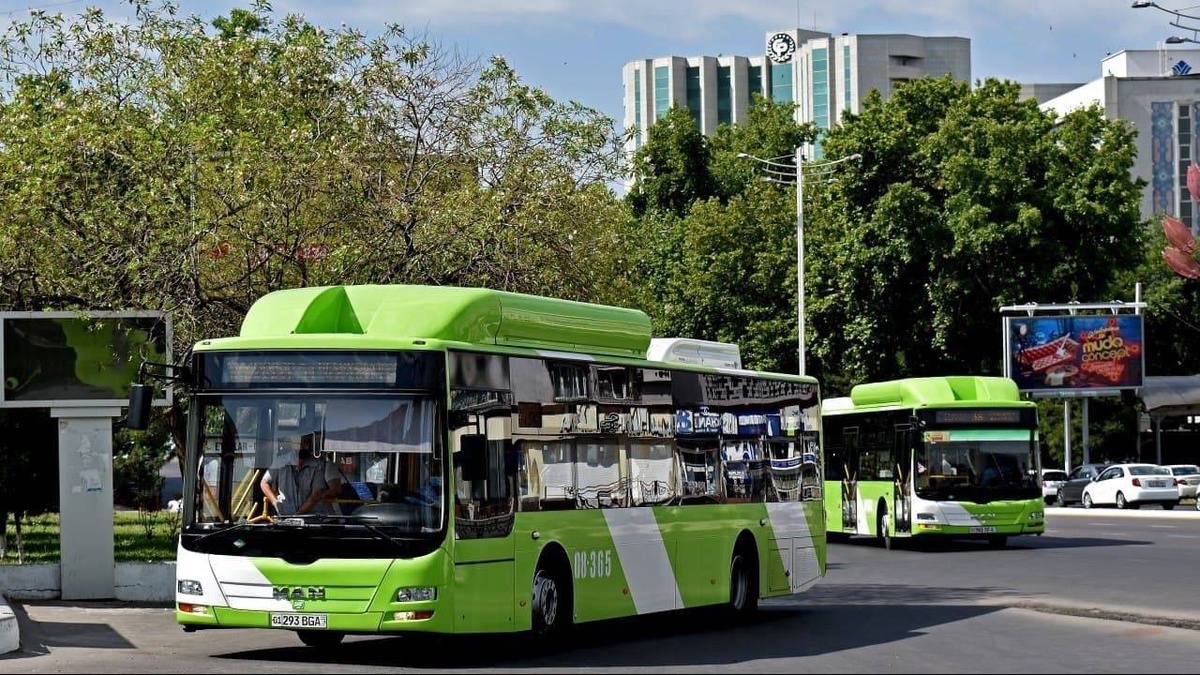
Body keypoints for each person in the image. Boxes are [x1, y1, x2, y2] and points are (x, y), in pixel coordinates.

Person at [260, 434, 343, 516]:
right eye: (300, 443)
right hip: (284, 517)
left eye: (307, 443)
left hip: (311, 520)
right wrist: (275, 502)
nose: (304, 446)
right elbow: (264, 483)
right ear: (293, 445)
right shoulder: (279, 462)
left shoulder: (318, 465)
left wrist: (297, 516)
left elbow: (316, 494)